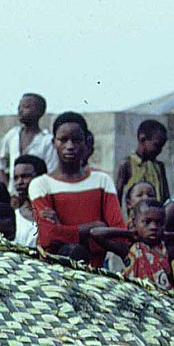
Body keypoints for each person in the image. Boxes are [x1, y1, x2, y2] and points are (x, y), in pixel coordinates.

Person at [28, 112, 125, 268]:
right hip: (55, 269)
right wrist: (92, 228)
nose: (70, 146)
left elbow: (117, 230)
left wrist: (63, 230)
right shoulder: (40, 185)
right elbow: (48, 236)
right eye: (63, 140)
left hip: (96, 269)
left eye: (76, 140)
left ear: (86, 143)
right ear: (54, 142)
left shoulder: (102, 181)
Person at [91, 200, 174, 291]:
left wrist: (169, 235)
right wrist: (130, 233)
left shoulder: (167, 251)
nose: (153, 227)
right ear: (135, 222)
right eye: (147, 222)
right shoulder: (129, 250)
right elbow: (95, 233)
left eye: (159, 223)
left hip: (161, 304)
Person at [0, 93, 58, 184]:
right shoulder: (13, 135)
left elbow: (51, 171)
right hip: (13, 195)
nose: (20, 111)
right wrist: (4, 183)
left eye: (26, 107)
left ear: (39, 112)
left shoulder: (47, 141)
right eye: (19, 107)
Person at [115, 119, 169, 210]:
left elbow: (166, 197)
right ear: (142, 139)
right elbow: (117, 199)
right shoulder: (127, 164)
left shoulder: (159, 166)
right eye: (156, 145)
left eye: (161, 147)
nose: (159, 150)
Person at [11, 154, 44, 248]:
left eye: (25, 177)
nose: (19, 182)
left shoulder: (51, 215)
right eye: (16, 178)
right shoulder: (14, 216)